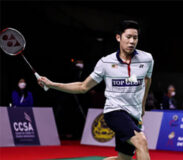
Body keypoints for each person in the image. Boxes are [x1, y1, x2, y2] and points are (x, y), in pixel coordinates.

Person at [38, 20, 153, 160]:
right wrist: (52, 84)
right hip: (114, 111)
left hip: (133, 114)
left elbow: (147, 80)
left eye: (135, 38)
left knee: (124, 158)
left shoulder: (147, 59)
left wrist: (142, 105)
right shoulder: (105, 63)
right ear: (118, 37)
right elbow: (82, 87)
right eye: (128, 37)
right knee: (141, 142)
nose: (132, 41)